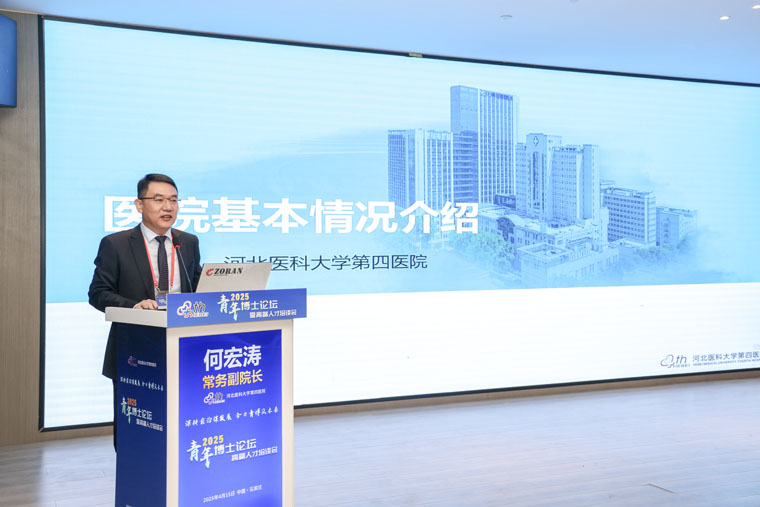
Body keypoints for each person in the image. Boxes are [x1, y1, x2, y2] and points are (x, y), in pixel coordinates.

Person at [88, 173, 202, 449]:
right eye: (159, 200)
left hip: (182, 348)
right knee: (136, 431)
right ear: (139, 205)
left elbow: (196, 285)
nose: (168, 207)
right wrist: (134, 305)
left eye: (174, 200)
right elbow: (98, 293)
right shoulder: (116, 244)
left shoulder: (188, 242)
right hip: (135, 351)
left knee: (179, 425)